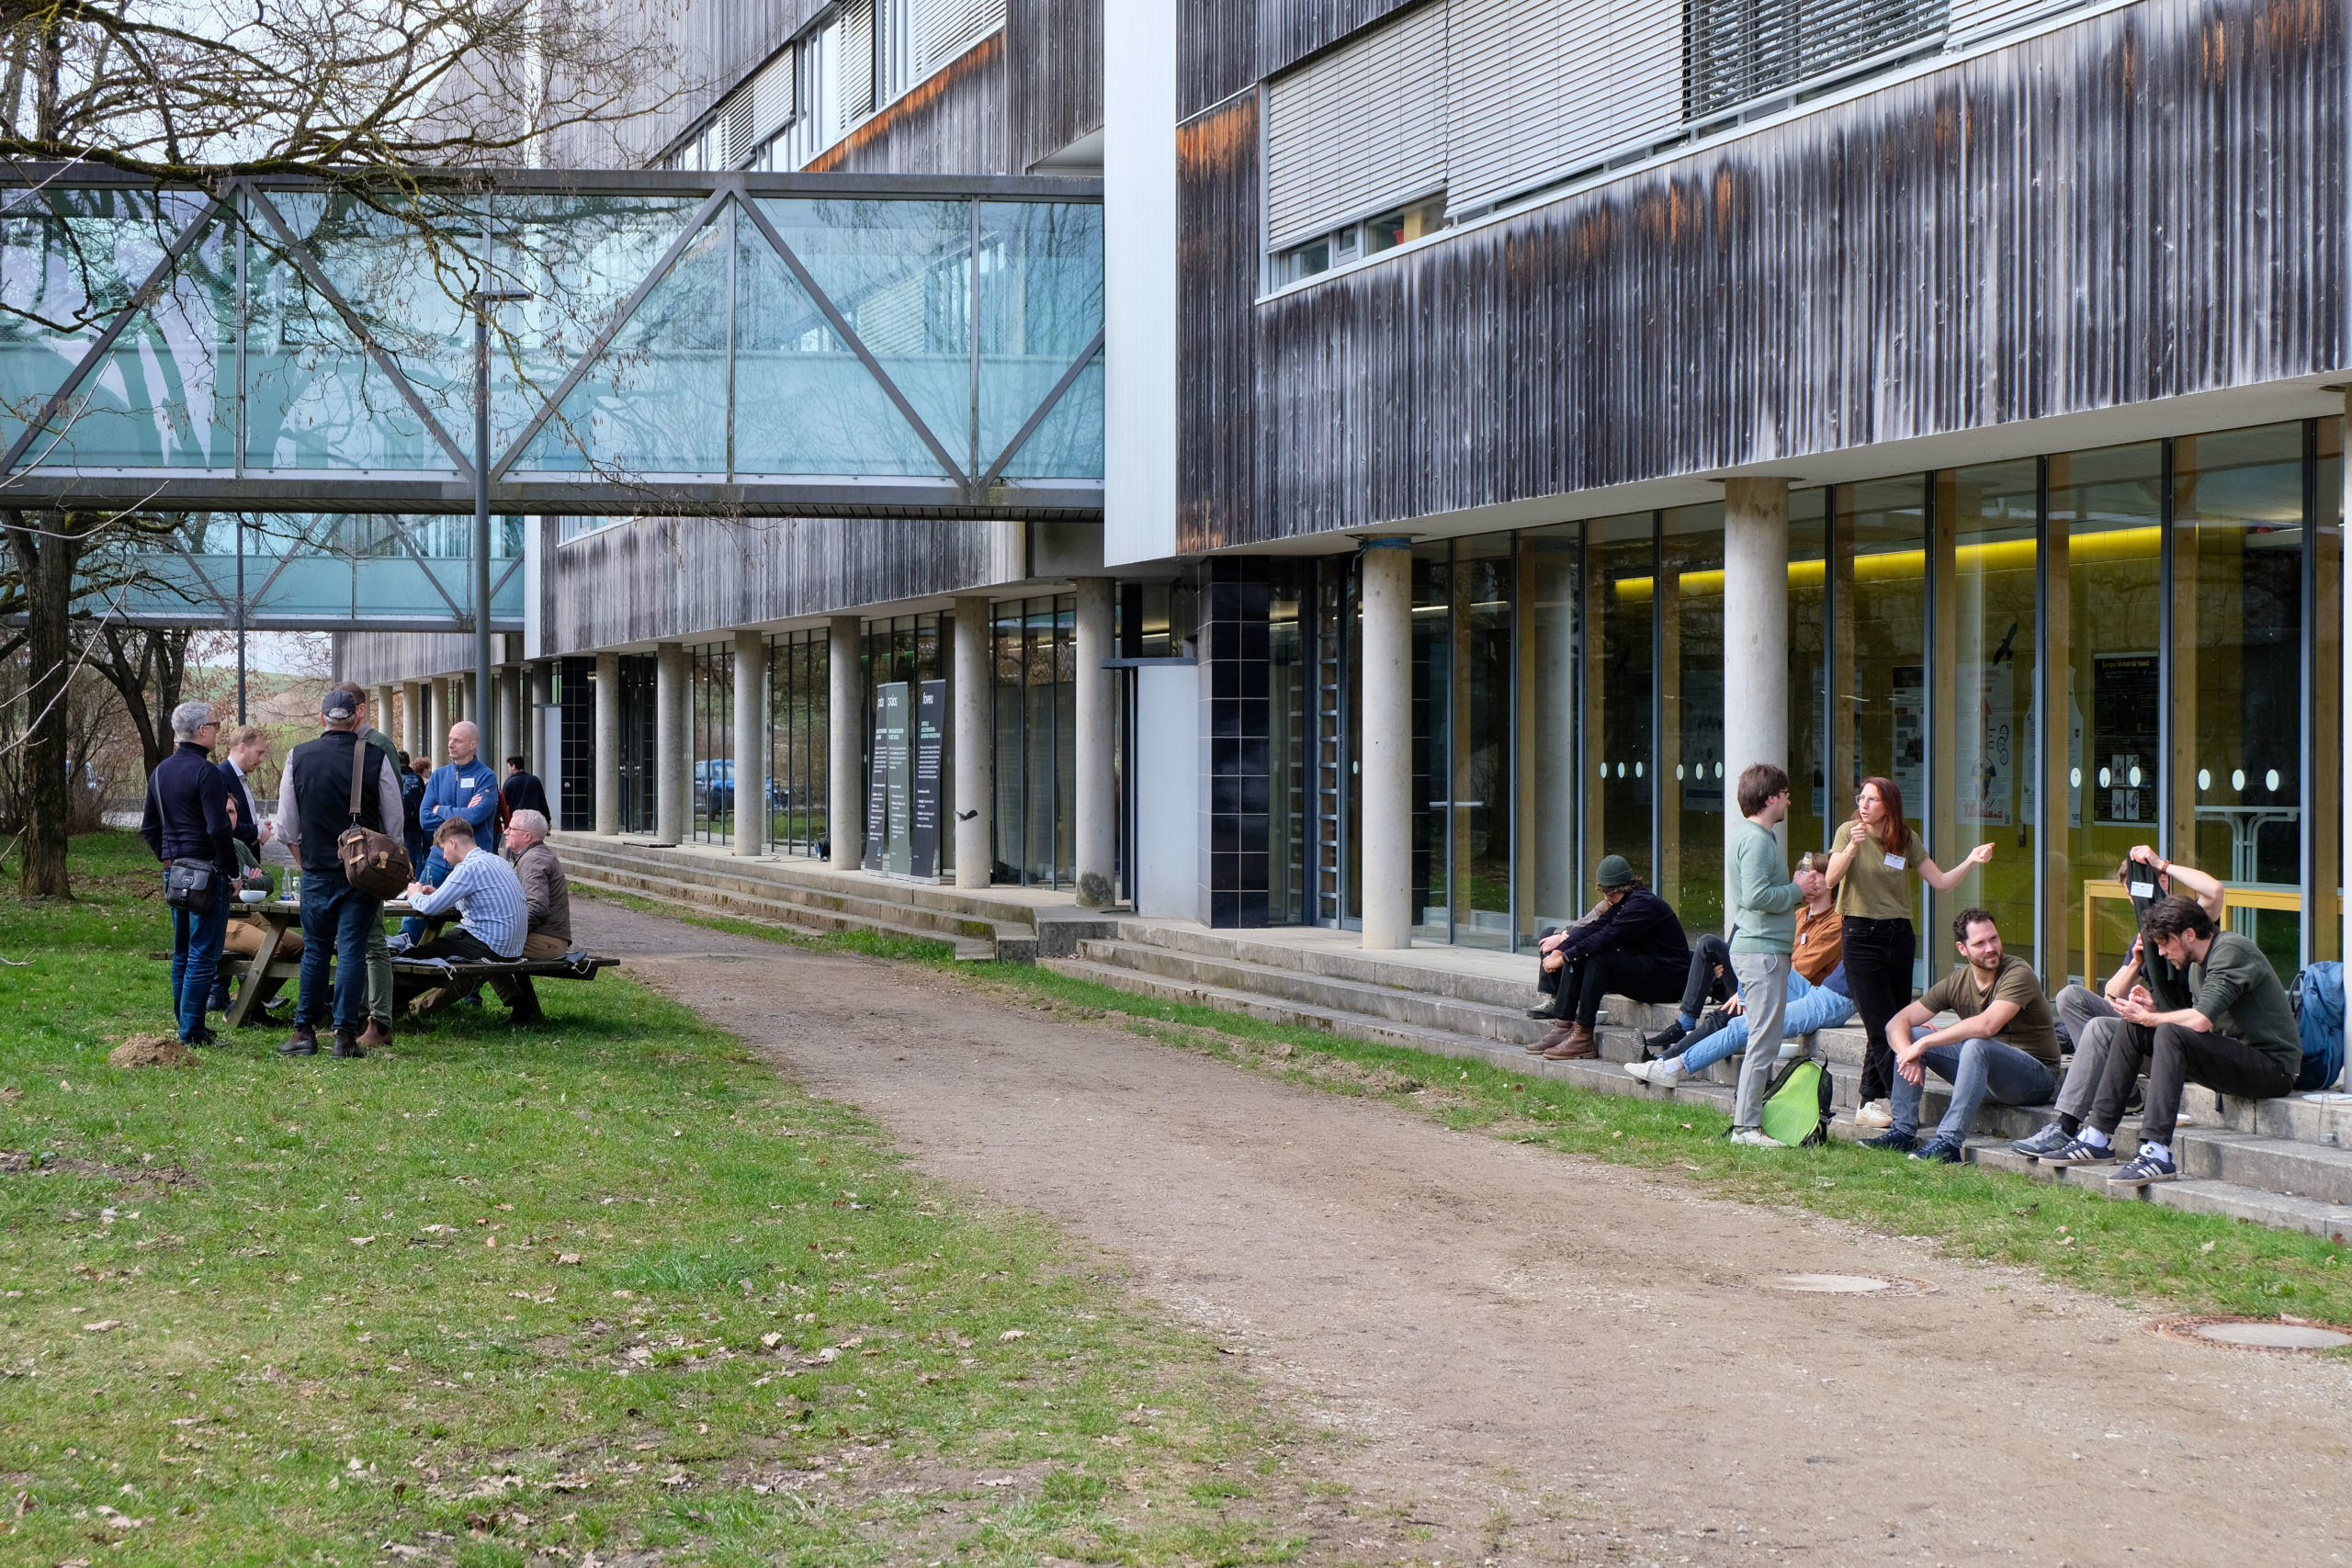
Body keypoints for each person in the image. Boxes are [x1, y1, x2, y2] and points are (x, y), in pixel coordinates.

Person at [2044, 896, 2303, 1186]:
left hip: (2273, 1069)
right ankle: (2097, 1136)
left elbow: (2201, 1021)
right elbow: (2198, 1027)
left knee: (2162, 1028)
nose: (2163, 952)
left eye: (2166, 943)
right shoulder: (2197, 965)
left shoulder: (2231, 952)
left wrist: (2152, 1019)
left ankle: (2156, 1153)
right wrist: (2153, 1013)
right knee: (2133, 1028)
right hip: (2233, 1058)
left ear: (2189, 934)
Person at [2014, 846, 2228, 1159]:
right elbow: (2110, 996)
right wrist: (2135, 964)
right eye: (2131, 896)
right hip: (2153, 1036)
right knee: (2070, 997)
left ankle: (2070, 1123)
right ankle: (2120, 1090)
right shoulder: (2145, 936)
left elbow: (2214, 890)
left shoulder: (2191, 925)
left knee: (2101, 1028)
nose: (2135, 903)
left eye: (2141, 892)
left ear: (2163, 885)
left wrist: (2161, 865)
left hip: (2185, 1043)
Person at [1825, 775, 1996, 1130]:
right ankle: (1902, 1110)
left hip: (1899, 934)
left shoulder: (1904, 838)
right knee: (1882, 1024)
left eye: (1871, 799)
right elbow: (1829, 881)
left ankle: (1868, 1101)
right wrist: (1851, 849)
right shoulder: (1848, 832)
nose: (1863, 805)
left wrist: (1970, 860)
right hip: (1860, 934)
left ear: (1888, 804)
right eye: (1861, 798)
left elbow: (1942, 882)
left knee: (1892, 1020)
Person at [1627, 852, 1854, 1089]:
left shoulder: (1837, 924)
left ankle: (1664, 1061)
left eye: (1818, 874)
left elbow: (1795, 965)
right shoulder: (1797, 915)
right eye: (1807, 873)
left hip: (1789, 988)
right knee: (1711, 944)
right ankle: (1684, 1024)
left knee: (1729, 1017)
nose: (1810, 879)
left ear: (1833, 880)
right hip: (1778, 981)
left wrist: (1751, 979)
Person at [1860, 908, 2061, 1163]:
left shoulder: (2018, 972)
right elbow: (1896, 1024)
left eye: (1994, 939)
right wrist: (1907, 1054)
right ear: (1962, 948)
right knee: (1910, 1034)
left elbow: (1988, 1025)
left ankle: (1948, 1143)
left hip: (2035, 1080)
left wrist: (1926, 1043)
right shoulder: (1957, 982)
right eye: (1979, 943)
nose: (1990, 948)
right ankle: (1902, 1132)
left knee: (1975, 1043)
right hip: (1982, 1074)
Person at [271, 686, 405, 1057]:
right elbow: (394, 826)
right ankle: (345, 1036)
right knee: (352, 950)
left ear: (322, 719)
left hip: (315, 869)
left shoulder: (298, 756)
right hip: (361, 873)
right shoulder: (375, 757)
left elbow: (285, 827)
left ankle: (303, 1033)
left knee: (314, 950)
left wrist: (304, 860)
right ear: (356, 717)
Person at [1524, 854, 1690, 1061]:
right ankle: (1563, 1027)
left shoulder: (1642, 905)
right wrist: (1562, 950)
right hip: (1651, 971)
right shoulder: (1629, 901)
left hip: (1668, 980)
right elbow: (1597, 926)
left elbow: (1606, 938)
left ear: (1606, 890)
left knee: (1597, 957)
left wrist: (1563, 958)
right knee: (1582, 955)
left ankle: (1583, 1036)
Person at [1719, 764, 1805, 1146]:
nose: (1789, 799)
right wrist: (1796, 890)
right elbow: (1754, 897)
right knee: (1764, 1042)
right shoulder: (1756, 840)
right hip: (1762, 951)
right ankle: (1746, 1128)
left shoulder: (1757, 837)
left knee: (1762, 1039)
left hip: (1761, 951)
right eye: (1785, 793)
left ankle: (1747, 1123)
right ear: (1771, 798)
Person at [140, 700, 234, 1045]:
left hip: (175, 871)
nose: (217, 730)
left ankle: (187, 1026)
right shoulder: (206, 772)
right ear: (201, 731)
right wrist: (230, 867)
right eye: (215, 724)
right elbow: (218, 828)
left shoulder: (161, 771)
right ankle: (192, 1031)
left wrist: (169, 858)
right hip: (207, 872)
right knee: (203, 953)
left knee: (182, 952)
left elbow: (150, 827)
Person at [401, 818, 529, 1017]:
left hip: (488, 945)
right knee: (437, 951)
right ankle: (406, 1008)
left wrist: (414, 894)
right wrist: (438, 893)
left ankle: (386, 1005)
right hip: (511, 947)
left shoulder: (467, 868)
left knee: (415, 958)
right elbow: (477, 898)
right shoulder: (496, 860)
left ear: (453, 843)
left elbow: (428, 908)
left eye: (443, 849)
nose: (443, 857)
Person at [402, 719, 500, 942]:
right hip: (437, 859)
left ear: (473, 744)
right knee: (415, 916)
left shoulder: (485, 777)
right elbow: (425, 818)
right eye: (450, 739)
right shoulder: (439, 776)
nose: (451, 744)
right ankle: (404, 949)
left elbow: (476, 817)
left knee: (473, 917)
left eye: (457, 740)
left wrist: (441, 809)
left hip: (471, 865)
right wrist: (462, 811)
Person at [209, 724, 276, 1013]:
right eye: (259, 752)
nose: (261, 759)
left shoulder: (241, 779)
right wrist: (256, 831)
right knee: (236, 926)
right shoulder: (222, 777)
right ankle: (231, 995)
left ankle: (235, 995)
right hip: (231, 865)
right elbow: (224, 822)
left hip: (245, 864)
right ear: (241, 747)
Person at [492, 807, 572, 1023]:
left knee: (483, 945)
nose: (505, 831)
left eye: (511, 828)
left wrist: (506, 929)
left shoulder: (534, 860)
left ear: (527, 836)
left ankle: (420, 1009)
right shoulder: (532, 856)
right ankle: (520, 1006)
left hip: (547, 942)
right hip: (547, 938)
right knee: (483, 945)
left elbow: (537, 908)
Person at [399, 748, 429, 869]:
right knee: (416, 854)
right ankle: (416, 880)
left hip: (400, 821)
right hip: (415, 822)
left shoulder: (396, 776)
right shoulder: (417, 778)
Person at [502, 754, 550, 818]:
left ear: (513, 766)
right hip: (534, 818)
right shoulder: (535, 780)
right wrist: (547, 819)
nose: (508, 769)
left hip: (516, 819)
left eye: (508, 767)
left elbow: (503, 803)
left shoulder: (509, 782)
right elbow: (542, 801)